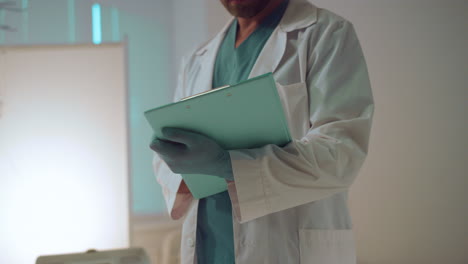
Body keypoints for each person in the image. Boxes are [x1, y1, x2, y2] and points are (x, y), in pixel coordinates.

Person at [150, 0, 374, 263]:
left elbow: (341, 153)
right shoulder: (196, 59)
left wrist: (230, 165)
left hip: (287, 249)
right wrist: (175, 160)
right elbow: (168, 161)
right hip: (208, 249)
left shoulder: (326, 33)